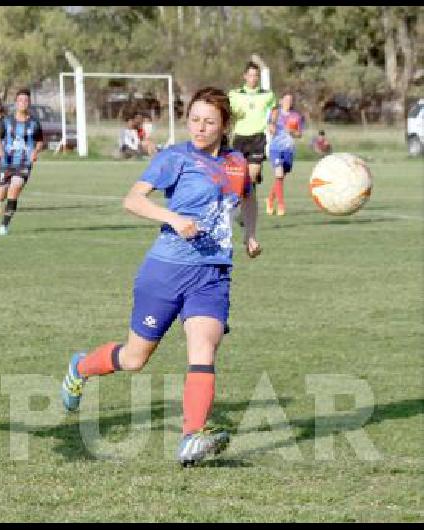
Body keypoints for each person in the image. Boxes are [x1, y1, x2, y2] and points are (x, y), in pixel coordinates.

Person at [60, 86, 262, 467]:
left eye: (209, 122)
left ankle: (191, 437)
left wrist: (250, 235)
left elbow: (247, 197)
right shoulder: (176, 158)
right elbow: (132, 200)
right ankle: (81, 367)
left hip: (213, 274)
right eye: (195, 120)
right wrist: (173, 219)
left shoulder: (237, 163)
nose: (200, 128)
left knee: (203, 348)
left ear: (224, 126)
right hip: (166, 271)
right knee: (135, 359)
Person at [0, 89, 43, 235]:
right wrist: (1, 150)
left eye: (26, 100)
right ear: (16, 103)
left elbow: (40, 141)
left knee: (14, 191)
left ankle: (4, 225)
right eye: (20, 100)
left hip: (23, 164)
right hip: (6, 163)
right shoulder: (7, 120)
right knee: (0, 195)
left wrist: (35, 152)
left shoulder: (34, 123)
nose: (23, 103)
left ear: (29, 103)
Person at [228, 61, 277, 189]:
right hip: (240, 138)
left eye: (256, 75)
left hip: (258, 137)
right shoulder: (234, 94)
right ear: (245, 76)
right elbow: (227, 112)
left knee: (252, 176)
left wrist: (272, 122)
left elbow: (275, 108)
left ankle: (255, 176)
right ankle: (251, 183)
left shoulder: (267, 94)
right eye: (250, 75)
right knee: (238, 176)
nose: (253, 78)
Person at [266, 92, 304, 216]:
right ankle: (281, 205)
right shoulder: (275, 113)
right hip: (276, 149)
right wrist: (273, 127)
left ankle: (270, 199)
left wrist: (292, 131)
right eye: (286, 100)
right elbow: (270, 129)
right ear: (281, 101)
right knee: (279, 174)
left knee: (280, 178)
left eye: (290, 100)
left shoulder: (296, 116)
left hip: (289, 150)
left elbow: (299, 134)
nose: (288, 102)